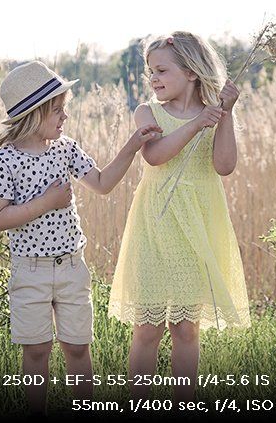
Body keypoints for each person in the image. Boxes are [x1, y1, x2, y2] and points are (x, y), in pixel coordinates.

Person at [0, 61, 160, 416]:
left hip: (71, 267)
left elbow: (102, 183)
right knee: (36, 351)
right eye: (57, 111)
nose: (64, 117)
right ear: (34, 114)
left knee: (78, 347)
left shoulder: (65, 148)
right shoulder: (5, 160)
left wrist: (131, 147)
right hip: (29, 271)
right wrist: (46, 203)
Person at [108, 32, 251, 402]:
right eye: (149, 71)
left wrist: (225, 115)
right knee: (148, 326)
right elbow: (155, 156)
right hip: (156, 222)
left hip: (199, 222)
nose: (152, 78)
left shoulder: (214, 112)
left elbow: (224, 165)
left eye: (161, 70)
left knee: (186, 328)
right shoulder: (148, 112)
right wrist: (196, 123)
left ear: (190, 72)